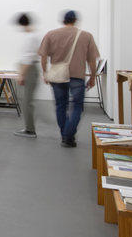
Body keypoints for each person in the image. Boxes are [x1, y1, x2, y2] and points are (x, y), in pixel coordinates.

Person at [39, 10, 99, 148]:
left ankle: (65, 135)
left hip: (58, 76)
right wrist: (93, 77)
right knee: (77, 106)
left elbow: (43, 57)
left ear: (63, 21)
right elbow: (91, 60)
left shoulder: (51, 34)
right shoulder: (86, 36)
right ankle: (68, 136)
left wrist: (45, 73)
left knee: (60, 105)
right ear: (75, 20)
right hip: (77, 76)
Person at [14, 13, 42, 138]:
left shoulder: (31, 37)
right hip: (29, 69)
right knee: (27, 101)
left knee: (26, 102)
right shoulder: (35, 35)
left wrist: (21, 74)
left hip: (29, 70)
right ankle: (29, 128)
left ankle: (30, 130)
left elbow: (28, 58)